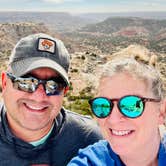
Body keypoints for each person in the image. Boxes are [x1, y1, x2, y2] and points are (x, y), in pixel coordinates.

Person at [0, 33, 102, 166]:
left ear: (64, 92)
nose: (39, 97)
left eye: (53, 85)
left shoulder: (91, 140)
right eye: (26, 82)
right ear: (4, 83)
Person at [68, 57, 166, 166]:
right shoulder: (89, 162)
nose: (113, 119)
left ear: (161, 111)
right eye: (103, 106)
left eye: (131, 105)